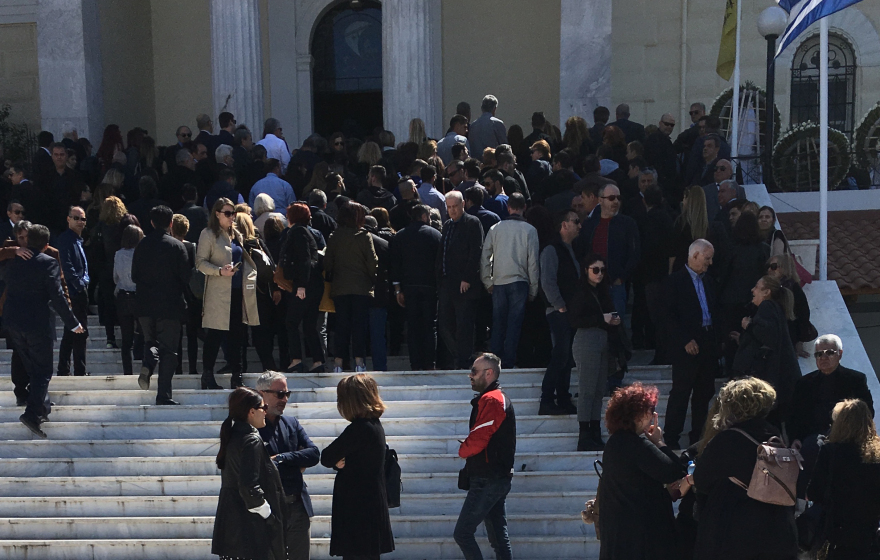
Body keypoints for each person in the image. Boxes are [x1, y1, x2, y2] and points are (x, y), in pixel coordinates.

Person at [692, 377, 798, 560]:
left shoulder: (726, 440)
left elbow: (701, 481)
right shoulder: (775, 437)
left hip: (735, 530)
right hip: (777, 528)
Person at [4, 224, 83, 437]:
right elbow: (57, 295)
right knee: (43, 370)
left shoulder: (13, 263)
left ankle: (42, 408)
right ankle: (32, 414)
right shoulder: (48, 263)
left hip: (13, 322)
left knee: (33, 367)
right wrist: (73, 322)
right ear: (47, 244)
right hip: (36, 324)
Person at [597, 382, 685, 560]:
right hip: (641, 537)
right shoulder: (636, 445)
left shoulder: (615, 443)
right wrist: (660, 442)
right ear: (637, 414)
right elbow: (675, 471)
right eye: (650, 410)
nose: (653, 414)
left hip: (619, 533)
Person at [320, 374, 395, 560]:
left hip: (358, 512)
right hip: (369, 506)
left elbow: (327, 457)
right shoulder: (374, 425)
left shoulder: (359, 428)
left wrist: (338, 462)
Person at [454, 353, 516, 560]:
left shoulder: (493, 399)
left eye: (474, 371)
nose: (470, 375)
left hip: (488, 478)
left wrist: (464, 450)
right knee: (498, 536)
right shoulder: (493, 398)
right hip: (495, 476)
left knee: (462, 533)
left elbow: (480, 438)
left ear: (489, 373)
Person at [212, 387, 286, 560]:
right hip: (249, 528)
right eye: (263, 408)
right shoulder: (250, 439)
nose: (266, 412)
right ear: (251, 412)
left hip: (235, 526)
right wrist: (269, 515)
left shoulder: (234, 436)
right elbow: (248, 485)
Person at [256, 371, 320, 560]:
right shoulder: (253, 428)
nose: (284, 399)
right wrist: (296, 461)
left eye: (287, 394)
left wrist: (282, 458)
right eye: (279, 394)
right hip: (269, 510)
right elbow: (261, 467)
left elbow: (314, 454)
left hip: (297, 507)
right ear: (262, 394)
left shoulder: (291, 423)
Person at [197, 199, 260, 389]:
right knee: (215, 335)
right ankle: (207, 375)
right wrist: (219, 271)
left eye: (233, 213)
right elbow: (200, 263)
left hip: (237, 292)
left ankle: (237, 375)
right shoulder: (208, 234)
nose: (232, 217)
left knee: (237, 335)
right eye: (227, 213)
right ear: (217, 214)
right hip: (218, 293)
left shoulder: (236, 234)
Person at [131, 206, 192, 405]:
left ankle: (148, 362)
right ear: (171, 223)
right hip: (170, 305)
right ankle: (163, 394)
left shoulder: (141, 245)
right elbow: (186, 277)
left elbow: (134, 275)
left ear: (151, 222)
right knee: (169, 351)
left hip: (144, 305)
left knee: (150, 341)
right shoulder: (176, 246)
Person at [808, 399, 880, 560]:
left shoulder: (830, 451)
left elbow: (814, 493)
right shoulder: (877, 454)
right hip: (869, 531)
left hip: (836, 530)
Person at [664, 239, 719, 449]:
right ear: (694, 256)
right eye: (707, 258)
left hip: (707, 342)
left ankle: (698, 437)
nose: (710, 262)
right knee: (681, 392)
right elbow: (667, 317)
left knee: (704, 393)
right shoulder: (675, 281)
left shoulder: (709, 281)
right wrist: (684, 340)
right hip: (686, 345)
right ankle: (670, 439)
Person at [568, 253, 621, 450]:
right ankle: (585, 434)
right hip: (586, 340)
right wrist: (602, 318)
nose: (599, 274)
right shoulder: (580, 291)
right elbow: (575, 320)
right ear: (586, 271)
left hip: (602, 340)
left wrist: (612, 320)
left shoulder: (603, 291)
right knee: (587, 390)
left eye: (602, 270)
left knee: (599, 390)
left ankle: (595, 431)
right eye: (595, 270)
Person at [480, 193, 539, 367]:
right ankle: (509, 361)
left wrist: (487, 280)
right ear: (524, 208)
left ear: (508, 207)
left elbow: (485, 256)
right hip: (520, 282)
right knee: (514, 323)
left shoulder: (495, 228)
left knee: (498, 323)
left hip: (498, 282)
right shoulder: (530, 230)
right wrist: (534, 288)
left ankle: (494, 362)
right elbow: (533, 262)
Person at [732, 275, 801, 425]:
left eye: (757, 287)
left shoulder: (767, 306)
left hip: (770, 382)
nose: (752, 290)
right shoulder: (775, 309)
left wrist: (748, 325)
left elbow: (768, 334)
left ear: (766, 292)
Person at [573, 182, 640, 326]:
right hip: (593, 284)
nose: (616, 201)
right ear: (600, 200)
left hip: (615, 283)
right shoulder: (589, 225)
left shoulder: (627, 224)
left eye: (618, 198)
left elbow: (634, 253)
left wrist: (622, 277)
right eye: (611, 198)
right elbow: (581, 252)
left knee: (617, 325)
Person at [324, 201, 378, 373]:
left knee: (341, 326)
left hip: (340, 288)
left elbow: (328, 263)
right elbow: (372, 262)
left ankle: (338, 363)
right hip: (361, 288)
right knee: (359, 326)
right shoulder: (364, 236)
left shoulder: (335, 236)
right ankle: (359, 362)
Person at [538, 210, 581, 415]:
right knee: (560, 355)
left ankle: (563, 397)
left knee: (566, 356)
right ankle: (547, 399)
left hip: (569, 312)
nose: (579, 226)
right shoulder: (551, 250)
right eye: (575, 222)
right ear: (564, 225)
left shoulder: (569, 249)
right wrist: (559, 305)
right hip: (558, 311)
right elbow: (547, 281)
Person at [390, 204, 442, 370]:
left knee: (413, 326)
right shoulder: (435, 235)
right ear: (425, 216)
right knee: (429, 326)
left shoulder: (400, 236)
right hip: (430, 286)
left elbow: (395, 266)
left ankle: (415, 363)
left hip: (409, 287)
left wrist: (398, 289)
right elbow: (440, 264)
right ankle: (430, 363)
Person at [437, 191, 484, 369]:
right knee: (444, 324)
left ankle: (464, 360)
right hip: (446, 283)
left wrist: (467, 278)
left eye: (455, 206)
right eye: (449, 207)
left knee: (464, 324)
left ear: (463, 204)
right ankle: (458, 355)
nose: (452, 210)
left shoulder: (472, 223)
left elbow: (475, 252)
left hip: (464, 284)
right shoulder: (447, 225)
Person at [281, 202, 326, 374]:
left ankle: (297, 359)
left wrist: (300, 285)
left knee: (292, 322)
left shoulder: (298, 232)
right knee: (309, 325)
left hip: (304, 285)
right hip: (315, 284)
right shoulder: (311, 233)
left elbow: (304, 260)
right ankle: (317, 360)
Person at [55, 205, 90, 377]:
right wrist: (78, 284)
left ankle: (66, 369)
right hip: (73, 291)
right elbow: (66, 265)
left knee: (73, 332)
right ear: (68, 219)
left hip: (81, 289)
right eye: (76, 218)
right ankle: (77, 370)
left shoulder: (78, 240)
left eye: (83, 218)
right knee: (78, 330)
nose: (80, 222)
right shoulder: (65, 239)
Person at [113, 224, 144, 376]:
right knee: (143, 331)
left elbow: (115, 277)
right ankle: (144, 364)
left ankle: (128, 371)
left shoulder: (118, 254)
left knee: (126, 338)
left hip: (123, 297)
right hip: (138, 297)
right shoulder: (141, 253)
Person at [765, 254, 811, 356]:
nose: (769, 270)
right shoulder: (768, 287)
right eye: (768, 266)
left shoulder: (792, 288)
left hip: (788, 339)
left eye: (773, 267)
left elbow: (803, 314)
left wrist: (799, 342)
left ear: (784, 268)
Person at [468, 95, 508, 160]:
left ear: (482, 108)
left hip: (478, 164)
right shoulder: (498, 124)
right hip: (494, 162)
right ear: (494, 108)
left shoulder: (473, 125)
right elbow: (504, 147)